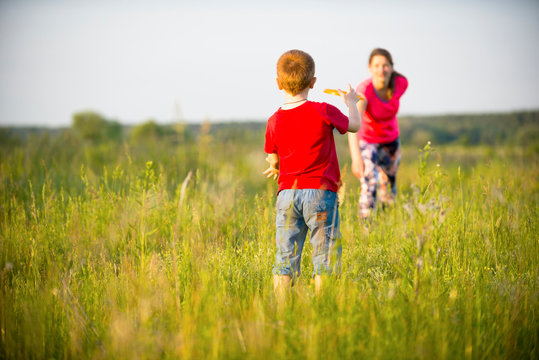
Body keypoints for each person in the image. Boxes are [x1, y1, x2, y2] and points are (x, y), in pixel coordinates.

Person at [263, 49, 361, 297]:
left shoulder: (274, 120)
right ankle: (322, 310)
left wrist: (276, 167)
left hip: (287, 196)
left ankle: (281, 312)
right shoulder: (322, 110)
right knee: (324, 256)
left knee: (285, 257)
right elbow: (354, 126)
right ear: (313, 82)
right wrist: (350, 102)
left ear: (278, 83)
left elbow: (272, 157)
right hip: (320, 195)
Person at [347, 48, 408, 219]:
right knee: (369, 183)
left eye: (385, 65)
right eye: (376, 65)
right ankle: (368, 228)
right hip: (368, 140)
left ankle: (386, 223)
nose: (381, 70)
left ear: (391, 67)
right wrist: (356, 157)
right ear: (370, 68)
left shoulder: (401, 83)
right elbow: (353, 124)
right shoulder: (364, 90)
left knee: (389, 185)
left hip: (391, 140)